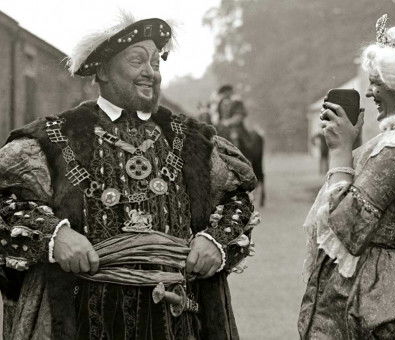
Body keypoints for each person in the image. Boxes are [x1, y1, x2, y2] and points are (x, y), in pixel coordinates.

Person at [0, 12, 259, 339]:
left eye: (156, 62)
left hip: (178, 320)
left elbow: (238, 200)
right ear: (103, 70)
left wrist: (215, 240)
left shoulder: (193, 140)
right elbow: (6, 202)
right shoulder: (53, 138)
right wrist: (55, 236)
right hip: (83, 321)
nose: (150, 72)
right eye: (138, 60)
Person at [298, 14, 395, 339]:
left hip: (377, 293)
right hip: (385, 282)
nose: (371, 92)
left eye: (377, 81)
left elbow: (347, 226)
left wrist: (339, 151)